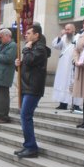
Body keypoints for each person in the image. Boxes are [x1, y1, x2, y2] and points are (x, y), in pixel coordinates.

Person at [13, 24, 51, 158]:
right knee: (24, 116)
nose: (26, 35)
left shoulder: (40, 49)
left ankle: (31, 147)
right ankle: (27, 145)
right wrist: (18, 65)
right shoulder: (32, 48)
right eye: (26, 33)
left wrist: (25, 50)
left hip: (33, 88)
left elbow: (30, 60)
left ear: (36, 35)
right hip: (27, 86)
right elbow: (27, 66)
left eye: (29, 33)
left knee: (26, 116)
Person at [51, 23, 79, 111]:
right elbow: (56, 45)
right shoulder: (63, 38)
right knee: (62, 84)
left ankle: (76, 105)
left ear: (73, 30)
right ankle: (63, 103)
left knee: (73, 84)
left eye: (68, 29)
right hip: (63, 66)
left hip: (73, 65)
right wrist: (60, 36)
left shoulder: (78, 37)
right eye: (65, 29)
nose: (66, 31)